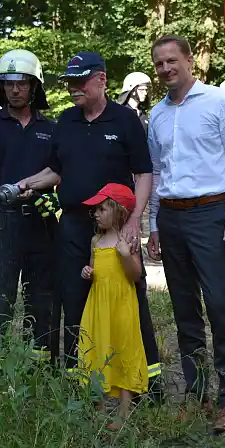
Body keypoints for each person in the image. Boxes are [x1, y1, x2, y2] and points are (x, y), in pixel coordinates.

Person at [17, 52, 165, 403]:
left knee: (130, 302)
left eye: (79, 82)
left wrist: (132, 222)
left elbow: (144, 173)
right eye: (68, 82)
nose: (72, 89)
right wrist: (30, 183)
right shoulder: (65, 121)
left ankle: (146, 386)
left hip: (115, 228)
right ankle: (83, 384)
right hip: (72, 226)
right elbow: (57, 171)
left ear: (101, 79)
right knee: (75, 300)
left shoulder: (126, 120)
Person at [145, 34, 225, 433]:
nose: (166, 69)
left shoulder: (219, 102)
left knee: (221, 306)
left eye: (172, 60)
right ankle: (197, 394)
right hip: (171, 218)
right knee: (185, 312)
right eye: (159, 63)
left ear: (189, 61)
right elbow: (156, 174)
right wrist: (154, 225)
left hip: (211, 213)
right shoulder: (156, 115)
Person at [0, 49, 58, 372]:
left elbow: (57, 170)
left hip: (42, 227)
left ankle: (40, 375)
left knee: (42, 304)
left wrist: (28, 187)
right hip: (2, 227)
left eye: (22, 83)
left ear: (35, 86)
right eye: (8, 84)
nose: (15, 90)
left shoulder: (51, 130)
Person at [77, 183, 148, 430]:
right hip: (99, 304)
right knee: (98, 347)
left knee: (122, 348)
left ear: (118, 211)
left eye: (102, 209)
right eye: (95, 210)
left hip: (121, 305)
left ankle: (124, 412)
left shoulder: (127, 240)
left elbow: (135, 276)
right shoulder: (96, 240)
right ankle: (100, 407)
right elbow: (94, 270)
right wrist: (88, 272)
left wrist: (126, 255)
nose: (96, 214)